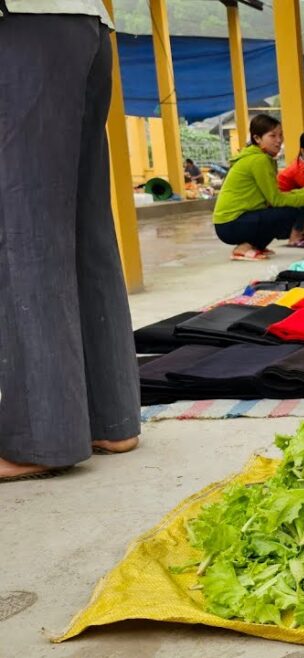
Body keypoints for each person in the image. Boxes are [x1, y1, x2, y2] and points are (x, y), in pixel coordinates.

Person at [0, 4, 141, 481]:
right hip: (88, 25)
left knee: (24, 227)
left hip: (21, 22)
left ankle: (43, 438)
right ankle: (112, 420)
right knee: (86, 227)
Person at [212, 114, 304, 260]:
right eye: (272, 136)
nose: (279, 140)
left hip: (234, 222)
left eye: (280, 135)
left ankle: (256, 245)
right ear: (257, 138)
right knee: (290, 212)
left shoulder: (263, 158)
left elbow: (274, 195)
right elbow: (276, 200)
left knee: (290, 207)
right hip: (231, 224)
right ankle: (244, 247)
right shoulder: (259, 160)